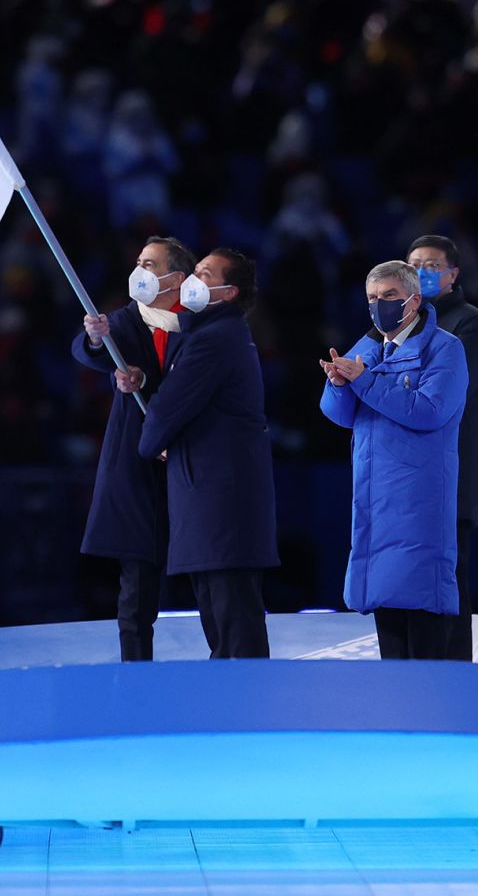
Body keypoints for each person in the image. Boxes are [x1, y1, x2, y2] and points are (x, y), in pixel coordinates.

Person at [319, 260, 468, 660]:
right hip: (374, 499)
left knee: (422, 625)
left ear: (414, 301)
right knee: (388, 626)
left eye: (389, 296)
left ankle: (430, 717)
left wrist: (363, 381)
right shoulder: (368, 347)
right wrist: (337, 385)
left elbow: (429, 411)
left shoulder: (446, 349)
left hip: (417, 498)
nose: (379, 305)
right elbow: (337, 414)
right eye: (372, 298)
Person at [136, 248, 278, 659]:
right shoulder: (209, 333)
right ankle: (236, 713)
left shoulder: (215, 339)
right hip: (213, 499)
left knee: (233, 628)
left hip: (221, 503)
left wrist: (152, 442)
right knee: (223, 623)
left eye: (204, 273)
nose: (193, 280)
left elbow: (167, 407)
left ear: (229, 291)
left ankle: (248, 716)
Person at [71, 235, 195, 661]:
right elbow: (92, 351)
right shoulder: (124, 321)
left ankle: (228, 673)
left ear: (176, 278)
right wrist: (93, 338)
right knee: (138, 579)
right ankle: (136, 670)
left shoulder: (200, 324)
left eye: (150, 264)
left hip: (190, 461)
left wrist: (147, 383)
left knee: (208, 570)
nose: (140, 271)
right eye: (139, 261)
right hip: (138, 463)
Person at [407, 234, 478, 659]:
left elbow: (446, 395)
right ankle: (417, 670)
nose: (421, 273)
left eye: (430, 265)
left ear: (452, 274)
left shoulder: (469, 323)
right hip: (405, 473)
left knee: (447, 575)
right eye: (414, 265)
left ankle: (455, 673)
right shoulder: (398, 323)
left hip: (450, 474)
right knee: (412, 576)